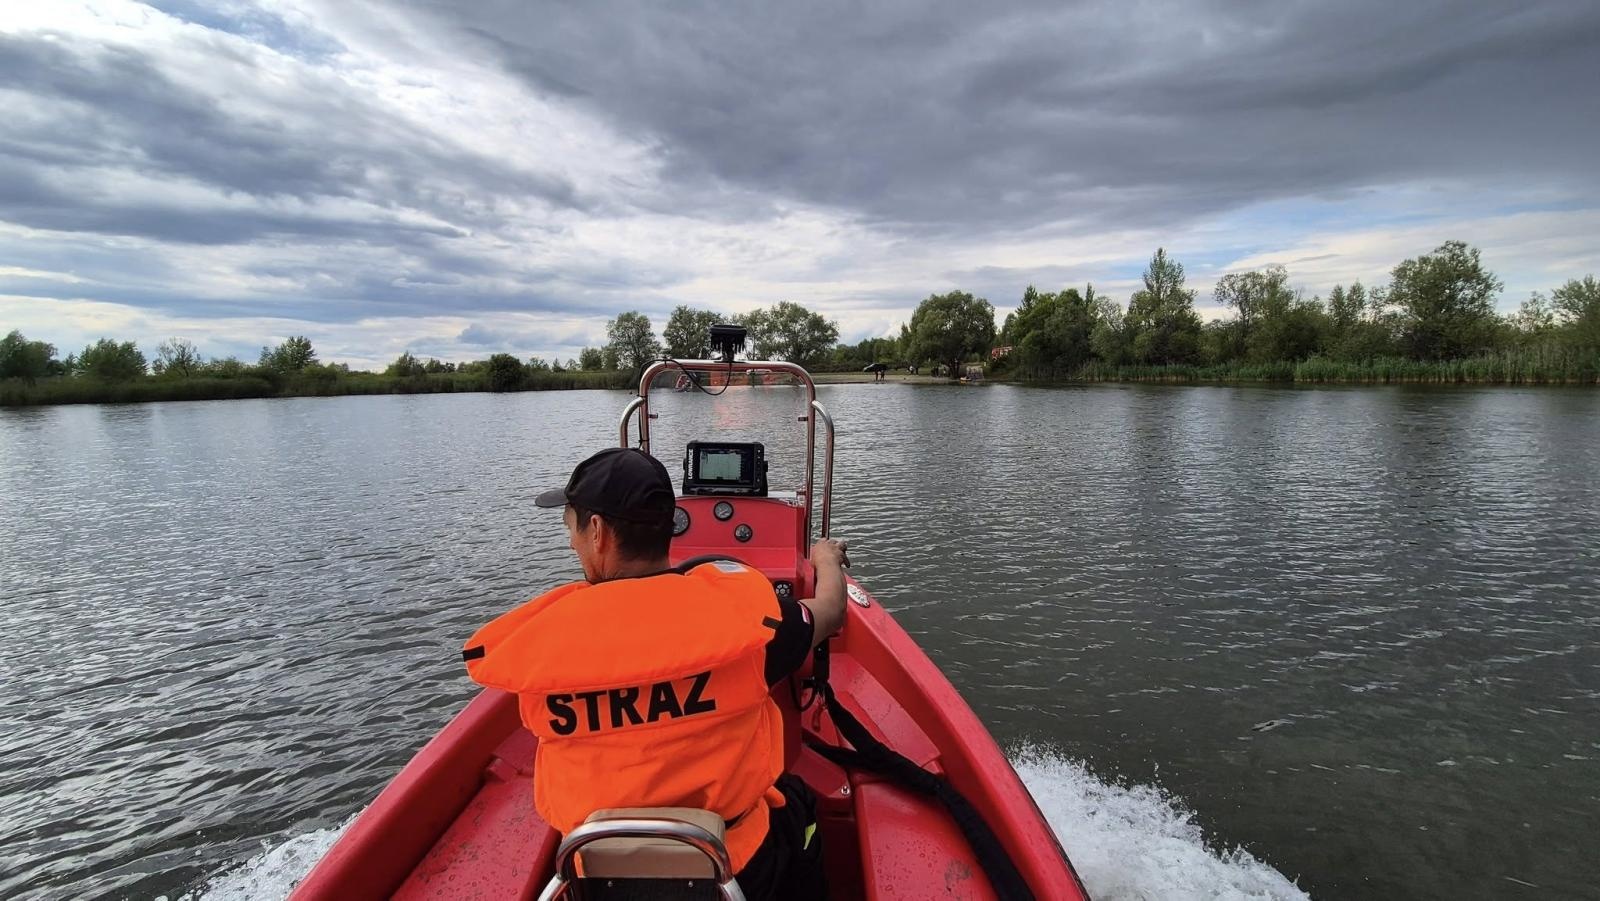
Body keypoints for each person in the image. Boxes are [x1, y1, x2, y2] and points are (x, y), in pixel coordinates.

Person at [462, 447, 848, 900]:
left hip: (596, 877)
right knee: (798, 802)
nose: (571, 543)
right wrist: (824, 557)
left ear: (598, 532)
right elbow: (831, 611)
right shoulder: (752, 627)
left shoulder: (540, 651)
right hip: (734, 868)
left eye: (571, 528)